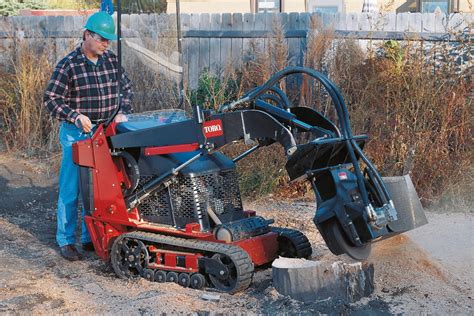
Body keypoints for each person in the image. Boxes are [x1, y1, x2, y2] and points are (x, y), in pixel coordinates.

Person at [44, 11, 133, 261]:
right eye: (102, 39)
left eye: (109, 40)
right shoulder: (68, 65)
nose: (106, 44)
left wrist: (122, 112)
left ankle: (91, 237)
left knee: (98, 189)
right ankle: (67, 240)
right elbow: (51, 99)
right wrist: (74, 116)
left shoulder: (111, 61)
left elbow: (126, 88)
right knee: (72, 188)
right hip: (77, 133)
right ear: (87, 35)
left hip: (104, 132)